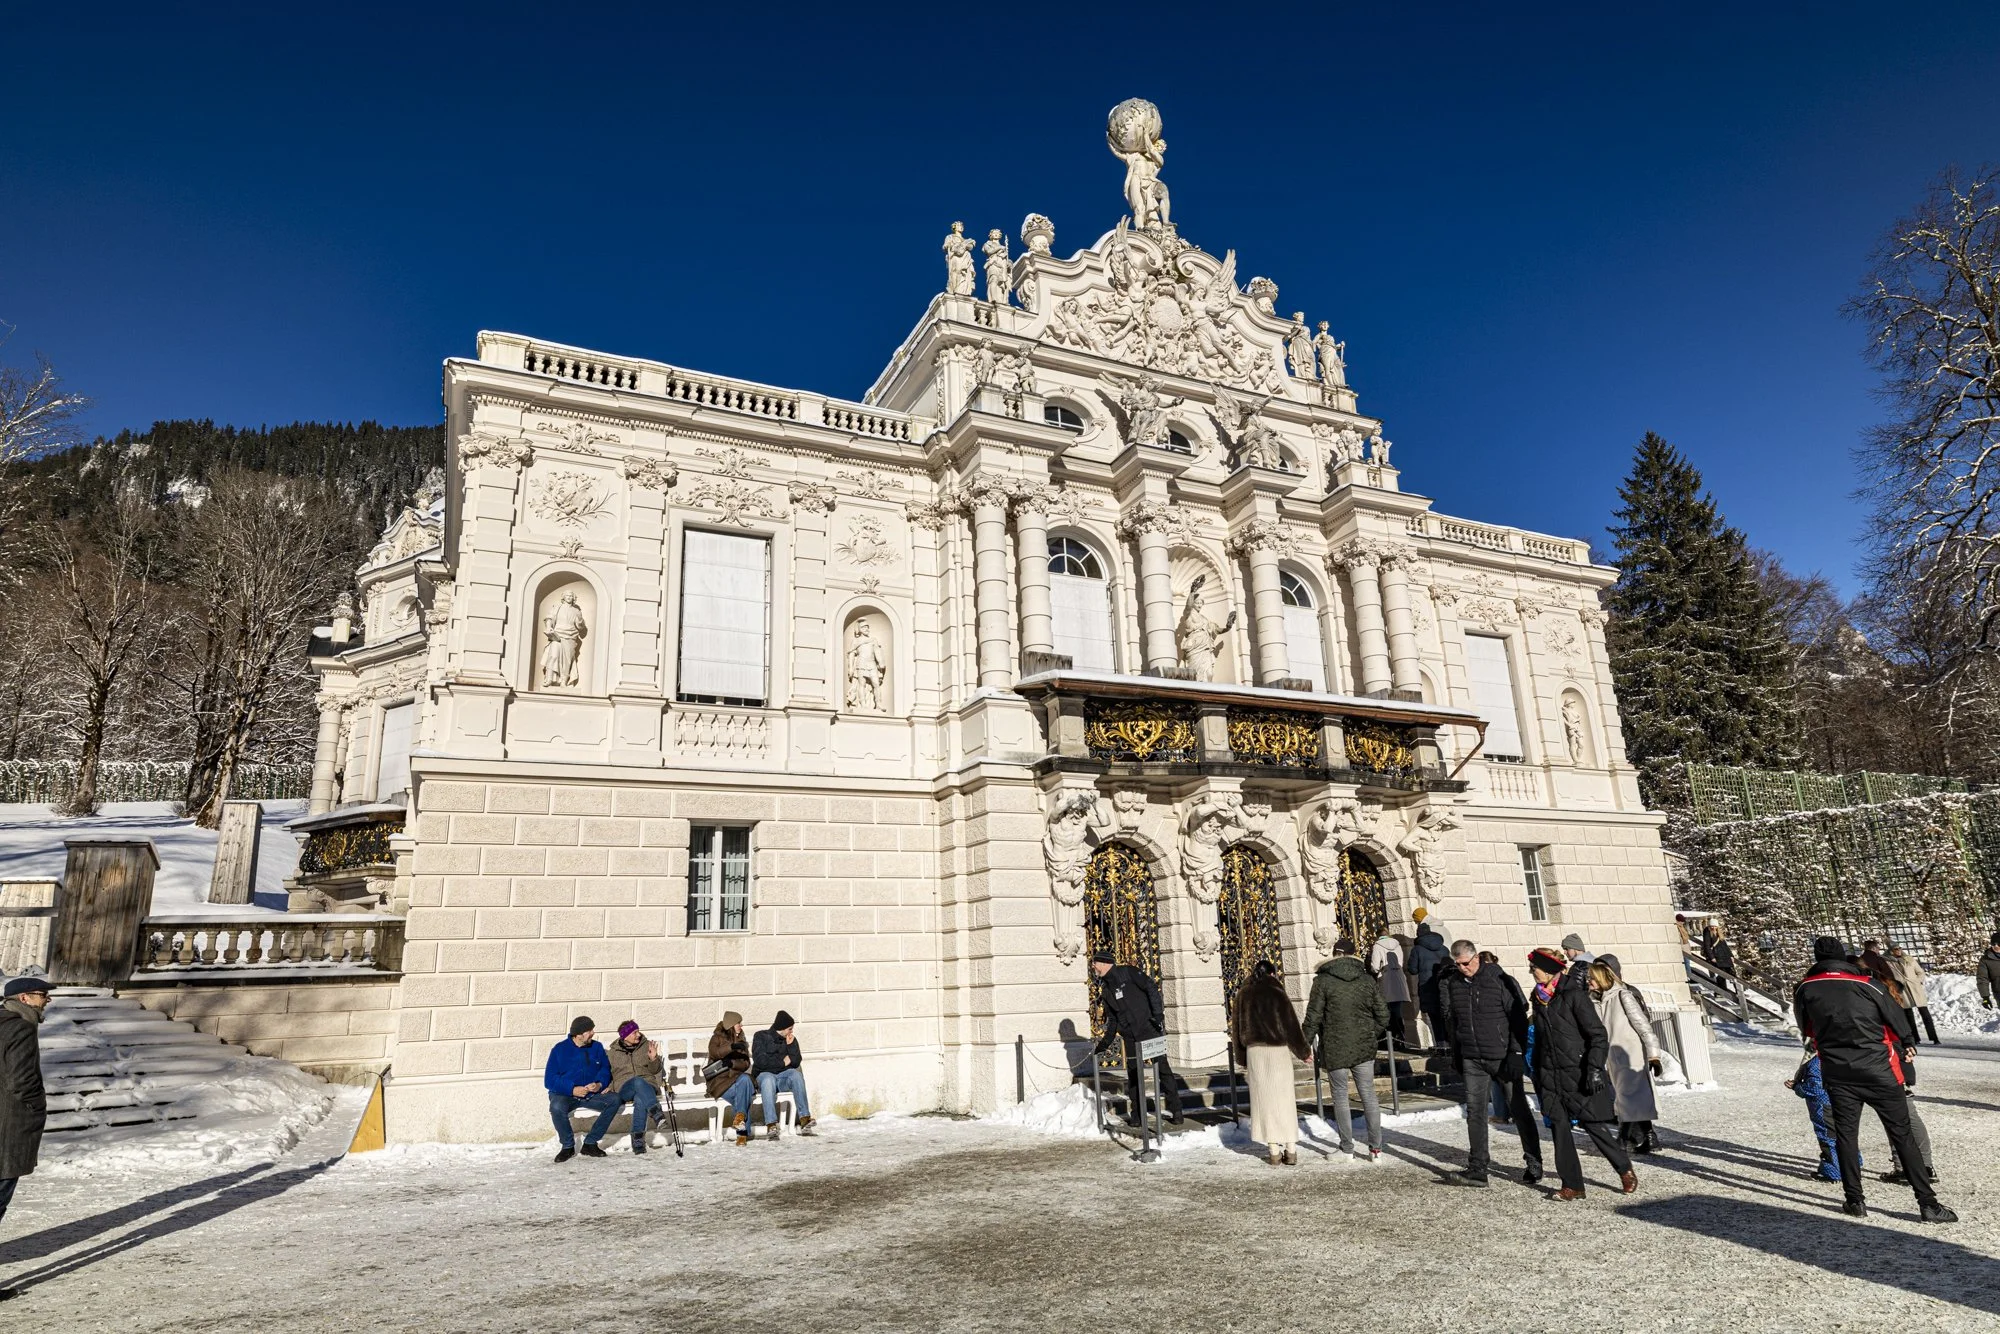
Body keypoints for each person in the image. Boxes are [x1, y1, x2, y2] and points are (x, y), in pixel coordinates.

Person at [1792, 936, 1955, 1223]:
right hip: (1878, 1069)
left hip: (1838, 1071)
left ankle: (1854, 1200)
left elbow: (1806, 1028)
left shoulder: (1805, 988)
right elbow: (1898, 1019)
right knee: (1901, 1134)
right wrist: (1905, 1042)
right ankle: (1927, 1203)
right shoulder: (1867, 984)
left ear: (1816, 958)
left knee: (1846, 1135)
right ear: (1843, 956)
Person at [1527, 947, 1635, 1201]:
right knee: (1559, 1129)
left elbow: (1597, 1035)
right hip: (1550, 1074)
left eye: (1535, 968)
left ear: (1549, 970)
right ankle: (1572, 1185)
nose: (1532, 972)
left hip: (1577, 1072)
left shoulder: (1574, 995)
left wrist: (1594, 1068)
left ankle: (1624, 1168)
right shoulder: (1538, 996)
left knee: (1593, 1125)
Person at [1436, 940, 1541, 1187]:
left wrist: (1516, 1053)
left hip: (1502, 1055)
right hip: (1472, 1057)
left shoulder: (1498, 979)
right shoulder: (1454, 984)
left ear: (1476, 958)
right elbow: (1453, 1021)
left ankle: (1534, 1162)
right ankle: (1477, 1167)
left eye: (1465, 963)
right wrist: (1457, 1053)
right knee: (1475, 1112)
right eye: (1457, 964)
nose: (1462, 968)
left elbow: (1517, 1017)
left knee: (1518, 1109)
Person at [1301, 940, 1390, 1161]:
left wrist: (1304, 1045)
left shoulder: (1322, 981)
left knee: (1340, 1097)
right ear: (1354, 955)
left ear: (1333, 955)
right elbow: (1383, 1016)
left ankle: (1347, 1149)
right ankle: (1376, 1150)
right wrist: (1370, 1033)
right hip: (1363, 1046)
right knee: (1368, 1095)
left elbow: (1313, 1017)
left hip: (1334, 1045)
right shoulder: (1367, 980)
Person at [1231, 960, 1310, 1165]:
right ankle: (1291, 1149)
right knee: (1284, 1099)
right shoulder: (1277, 992)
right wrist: (1303, 1052)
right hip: (1277, 1051)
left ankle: (1273, 1151)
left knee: (1263, 1101)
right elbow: (1290, 1025)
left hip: (1255, 1052)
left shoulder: (1243, 993)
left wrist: (1241, 1058)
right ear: (1273, 974)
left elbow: (1236, 1030)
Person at [1091, 952, 1185, 1125]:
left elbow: (1150, 987)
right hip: (1130, 1037)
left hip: (1148, 1029)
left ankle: (1176, 1110)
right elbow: (1112, 1021)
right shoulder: (1106, 990)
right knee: (1134, 1075)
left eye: (1094, 963)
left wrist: (1157, 1015)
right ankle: (1138, 1115)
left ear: (1104, 963)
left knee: (1163, 1070)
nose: (1093, 967)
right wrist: (1104, 1044)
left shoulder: (1128, 972)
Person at [0, 973, 50, 1292]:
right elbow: (22, 1081)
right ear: (24, 999)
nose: (47, 1001)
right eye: (42, 995)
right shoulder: (20, 1028)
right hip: (8, 1132)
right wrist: (37, 1107)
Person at [1587, 960, 1662, 1154]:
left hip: (1632, 1054)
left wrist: (1654, 1055)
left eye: (1592, 978)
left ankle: (1623, 1139)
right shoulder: (1596, 1001)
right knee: (1629, 1098)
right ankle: (1650, 1136)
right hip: (1614, 1057)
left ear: (1602, 978)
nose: (1589, 981)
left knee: (1626, 1098)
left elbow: (1642, 1025)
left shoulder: (1622, 995)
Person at [544, 1015, 619, 1162]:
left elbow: (605, 1069)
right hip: (566, 1094)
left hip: (590, 1094)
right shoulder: (559, 1050)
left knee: (615, 1100)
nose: (593, 1033)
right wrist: (572, 1089)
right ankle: (567, 1146)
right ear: (579, 1035)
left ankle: (590, 1143)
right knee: (556, 1106)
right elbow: (550, 1079)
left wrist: (599, 1083)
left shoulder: (596, 1047)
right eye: (589, 1030)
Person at [750, 1011, 816, 1140]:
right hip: (763, 1077)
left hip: (781, 1079)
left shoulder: (790, 1039)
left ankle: (804, 1119)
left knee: (795, 1074)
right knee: (768, 1078)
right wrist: (782, 1062)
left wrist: (791, 1047)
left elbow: (796, 1061)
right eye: (789, 1029)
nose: (791, 1032)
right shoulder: (761, 1036)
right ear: (782, 1027)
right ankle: (771, 1125)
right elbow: (761, 1062)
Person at [1786, 1050, 1847, 1184]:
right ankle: (1852, 1164)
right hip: (1843, 1102)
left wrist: (1797, 1087)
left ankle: (1832, 1171)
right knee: (1845, 1135)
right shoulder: (1842, 1056)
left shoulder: (1818, 1062)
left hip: (1823, 1106)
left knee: (1828, 1137)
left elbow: (1815, 1088)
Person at [603, 1020, 664, 1154]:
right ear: (625, 1036)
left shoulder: (646, 1046)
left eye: (638, 1031)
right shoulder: (613, 1053)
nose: (638, 1034)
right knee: (637, 1082)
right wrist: (608, 1086)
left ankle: (638, 1141)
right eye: (634, 1032)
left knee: (640, 1097)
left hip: (648, 1086)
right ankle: (656, 1112)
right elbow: (607, 1073)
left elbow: (655, 1071)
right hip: (625, 1088)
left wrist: (653, 1058)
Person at [705, 1010, 756, 1146]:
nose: (741, 1026)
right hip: (719, 1082)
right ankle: (742, 1135)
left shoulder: (741, 1040)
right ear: (731, 1024)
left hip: (737, 1080)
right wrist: (731, 1047)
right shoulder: (717, 1037)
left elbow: (746, 1064)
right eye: (738, 1023)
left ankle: (739, 1120)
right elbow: (715, 1052)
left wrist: (733, 1063)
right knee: (744, 1095)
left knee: (745, 1081)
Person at [1406, 917, 1451, 1052]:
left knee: (1434, 1018)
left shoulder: (1417, 949)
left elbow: (1412, 970)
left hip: (1427, 986)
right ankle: (1449, 1045)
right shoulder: (1443, 948)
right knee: (1446, 1016)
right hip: (1444, 984)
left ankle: (1441, 1045)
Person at [1885, 944, 1939, 1045]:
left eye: (1900, 948)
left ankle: (1934, 1037)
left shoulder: (1909, 959)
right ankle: (1915, 1038)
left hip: (1915, 989)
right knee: (1908, 1015)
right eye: (1896, 949)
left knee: (1925, 1013)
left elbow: (1920, 972)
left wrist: (1917, 981)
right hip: (1902, 990)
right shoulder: (1888, 962)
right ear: (1891, 951)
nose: (1899, 950)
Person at [1368, 931, 1412, 1043]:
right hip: (1398, 980)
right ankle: (1401, 1038)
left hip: (1385, 981)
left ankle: (1390, 1040)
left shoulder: (1378, 946)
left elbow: (1375, 966)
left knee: (1385, 1012)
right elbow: (1400, 963)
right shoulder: (1397, 945)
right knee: (1397, 1011)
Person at [1979, 933, 2000, 1009]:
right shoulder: (1985, 960)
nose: (1996, 946)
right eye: (1993, 944)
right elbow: (1982, 978)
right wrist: (1985, 997)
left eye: (1999, 944)